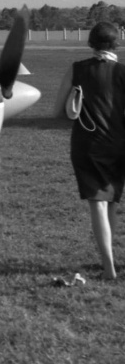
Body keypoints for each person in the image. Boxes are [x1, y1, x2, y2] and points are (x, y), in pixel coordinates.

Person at [57, 21, 125, 279]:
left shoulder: (77, 69)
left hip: (86, 145)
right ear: (115, 44)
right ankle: (110, 263)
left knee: (97, 204)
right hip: (118, 145)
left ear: (90, 43)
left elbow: (58, 111)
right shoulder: (122, 72)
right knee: (111, 204)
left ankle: (109, 269)